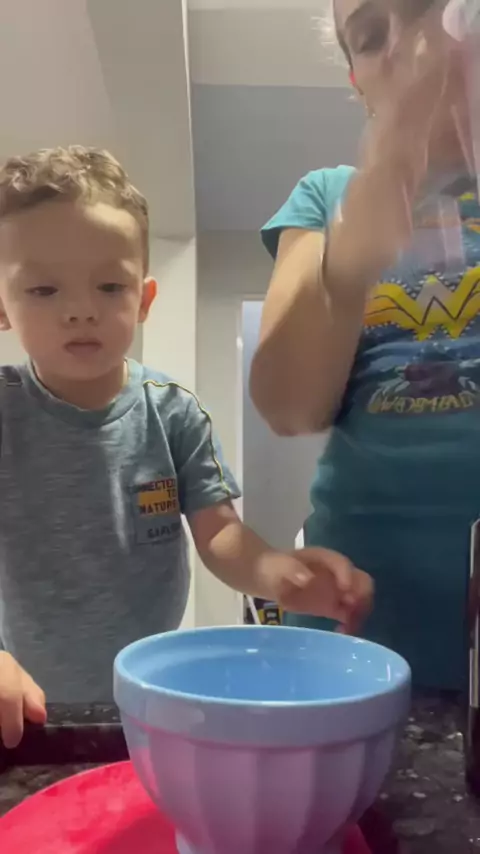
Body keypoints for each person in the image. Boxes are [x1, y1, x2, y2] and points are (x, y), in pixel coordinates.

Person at [0, 146, 372, 748]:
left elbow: (221, 536)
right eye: (43, 289)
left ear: (144, 300)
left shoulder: (173, 412)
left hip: (152, 701)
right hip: (25, 710)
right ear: (2, 306)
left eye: (110, 286)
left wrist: (276, 571)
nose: (81, 311)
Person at [250, 0, 480, 691]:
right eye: (372, 36)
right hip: (362, 614)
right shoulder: (326, 197)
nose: (409, 47)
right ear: (357, 80)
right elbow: (288, 408)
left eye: (428, 11)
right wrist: (348, 268)